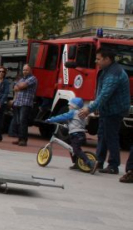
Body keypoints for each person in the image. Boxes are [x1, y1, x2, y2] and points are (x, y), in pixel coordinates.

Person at [79, 47, 130, 175]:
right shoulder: (107, 70)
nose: (96, 61)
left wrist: (90, 108)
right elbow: (101, 92)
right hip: (108, 109)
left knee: (110, 136)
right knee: (102, 135)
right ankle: (99, 161)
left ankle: (113, 165)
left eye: (98, 59)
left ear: (107, 59)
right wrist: (98, 107)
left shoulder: (114, 73)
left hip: (115, 110)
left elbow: (105, 94)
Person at [46, 97, 97, 173]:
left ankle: (90, 163)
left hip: (77, 135)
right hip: (79, 134)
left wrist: (51, 119)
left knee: (76, 149)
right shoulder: (80, 113)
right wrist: (67, 125)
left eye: (69, 105)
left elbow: (62, 116)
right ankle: (77, 163)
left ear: (73, 106)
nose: (68, 107)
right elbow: (75, 122)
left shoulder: (72, 112)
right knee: (71, 147)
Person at [11, 64, 37, 147]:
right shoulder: (22, 79)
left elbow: (21, 86)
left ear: (30, 70)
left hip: (26, 103)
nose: (24, 71)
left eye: (26, 70)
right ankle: (19, 138)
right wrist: (19, 86)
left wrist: (19, 85)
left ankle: (23, 140)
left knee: (23, 121)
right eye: (23, 70)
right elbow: (15, 88)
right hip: (18, 102)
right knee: (18, 122)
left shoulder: (33, 78)